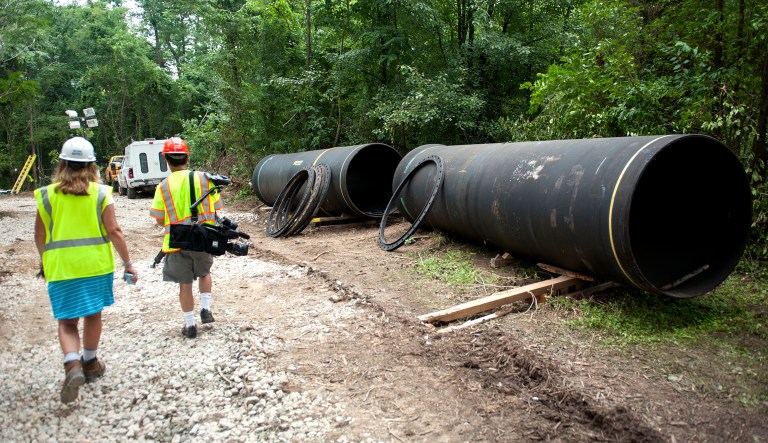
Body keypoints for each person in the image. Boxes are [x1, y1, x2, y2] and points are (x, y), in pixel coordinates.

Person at [34, 136, 138, 404]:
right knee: (93, 315)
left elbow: (40, 235)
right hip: (95, 265)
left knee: (67, 322)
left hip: (61, 268)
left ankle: (72, 365)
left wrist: (44, 261)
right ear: (92, 165)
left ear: (62, 164)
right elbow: (114, 230)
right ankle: (90, 362)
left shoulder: (46, 195)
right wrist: (128, 262)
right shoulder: (101, 193)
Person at [150, 137, 222, 339]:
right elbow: (216, 208)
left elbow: (158, 219)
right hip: (203, 237)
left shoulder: (163, 186)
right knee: (205, 272)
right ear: (187, 158)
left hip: (177, 242)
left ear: (166, 160)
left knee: (185, 283)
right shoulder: (204, 179)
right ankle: (206, 309)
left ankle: (190, 326)